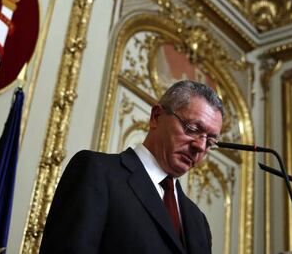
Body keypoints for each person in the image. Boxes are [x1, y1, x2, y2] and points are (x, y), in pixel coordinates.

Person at [39, 80, 224, 254]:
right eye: (192, 129)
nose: (200, 146)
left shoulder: (199, 222)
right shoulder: (96, 172)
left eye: (210, 141)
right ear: (156, 117)